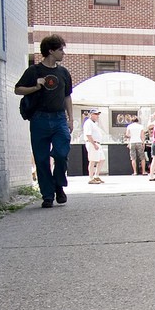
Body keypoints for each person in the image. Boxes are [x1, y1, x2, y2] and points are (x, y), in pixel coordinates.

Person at [14, 34, 73, 208]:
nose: (63, 53)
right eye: (60, 49)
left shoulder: (63, 72)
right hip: (39, 119)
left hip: (59, 118)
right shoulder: (34, 71)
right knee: (41, 159)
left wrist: (70, 118)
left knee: (61, 154)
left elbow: (67, 96)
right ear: (50, 51)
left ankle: (58, 185)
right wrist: (35, 86)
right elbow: (18, 89)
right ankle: (47, 195)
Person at [83, 109, 106, 183]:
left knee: (102, 159)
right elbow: (88, 134)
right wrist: (93, 143)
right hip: (92, 143)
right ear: (91, 114)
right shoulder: (88, 123)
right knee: (92, 160)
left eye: (97, 114)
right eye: (95, 114)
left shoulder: (94, 123)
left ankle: (96, 175)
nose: (97, 116)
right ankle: (90, 178)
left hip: (97, 143)